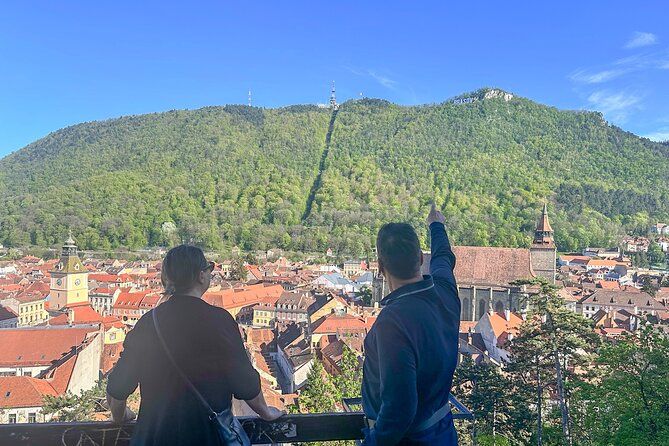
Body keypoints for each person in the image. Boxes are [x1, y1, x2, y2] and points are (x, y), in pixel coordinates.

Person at [106, 245, 284, 445]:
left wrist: (119, 416)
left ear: (167, 279)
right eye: (209, 269)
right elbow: (245, 382)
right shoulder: (219, 321)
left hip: (156, 436)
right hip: (207, 436)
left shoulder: (148, 323)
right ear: (201, 276)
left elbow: (118, 385)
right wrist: (266, 412)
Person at [361, 203, 461, 445]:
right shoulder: (446, 292)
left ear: (380, 267)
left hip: (411, 440)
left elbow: (400, 409)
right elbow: (443, 258)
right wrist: (436, 225)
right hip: (443, 431)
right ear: (419, 258)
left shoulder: (392, 323)